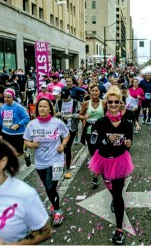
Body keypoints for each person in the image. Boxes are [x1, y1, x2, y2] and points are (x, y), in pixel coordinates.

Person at [88, 86, 134, 245]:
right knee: (110, 188)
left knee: (117, 194)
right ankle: (114, 197)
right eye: (110, 102)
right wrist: (106, 140)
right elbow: (93, 143)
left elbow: (128, 144)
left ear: (121, 104)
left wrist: (128, 143)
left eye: (117, 102)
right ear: (106, 103)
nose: (113, 104)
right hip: (103, 161)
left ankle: (119, 229)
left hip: (120, 161)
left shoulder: (128, 124)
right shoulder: (101, 122)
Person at [24, 98, 70, 226]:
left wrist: (63, 145)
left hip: (57, 160)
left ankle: (57, 210)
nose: (42, 109)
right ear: (37, 109)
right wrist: (31, 145)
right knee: (48, 186)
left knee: (50, 186)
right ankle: (54, 203)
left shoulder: (57, 123)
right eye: (40, 107)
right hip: (41, 162)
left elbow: (66, 135)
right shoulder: (32, 124)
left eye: (45, 106)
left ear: (50, 109)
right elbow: (26, 140)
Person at [78, 84, 106, 188]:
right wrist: (84, 117)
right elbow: (79, 115)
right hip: (89, 132)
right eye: (92, 91)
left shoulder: (104, 103)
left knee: (98, 153)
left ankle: (95, 177)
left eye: (96, 91)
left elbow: (108, 115)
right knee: (93, 153)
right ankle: (99, 169)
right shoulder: (86, 103)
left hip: (101, 131)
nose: (94, 92)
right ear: (90, 93)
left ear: (99, 92)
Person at [0, 88, 31, 166]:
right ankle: (12, 165)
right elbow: (1, 119)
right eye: (5, 97)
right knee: (8, 151)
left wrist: (18, 124)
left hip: (18, 134)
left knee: (19, 152)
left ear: (13, 97)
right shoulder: (2, 107)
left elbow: (27, 118)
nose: (6, 99)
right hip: (6, 133)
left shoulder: (19, 107)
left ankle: (26, 156)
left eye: (9, 97)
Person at [55, 88, 80, 179]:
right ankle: (66, 163)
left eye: (66, 97)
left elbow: (80, 114)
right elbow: (54, 112)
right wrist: (58, 114)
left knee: (68, 147)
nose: (64, 99)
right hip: (61, 129)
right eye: (63, 97)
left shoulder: (75, 103)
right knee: (62, 147)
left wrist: (72, 115)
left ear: (70, 95)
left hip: (71, 128)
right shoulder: (59, 103)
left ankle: (68, 167)